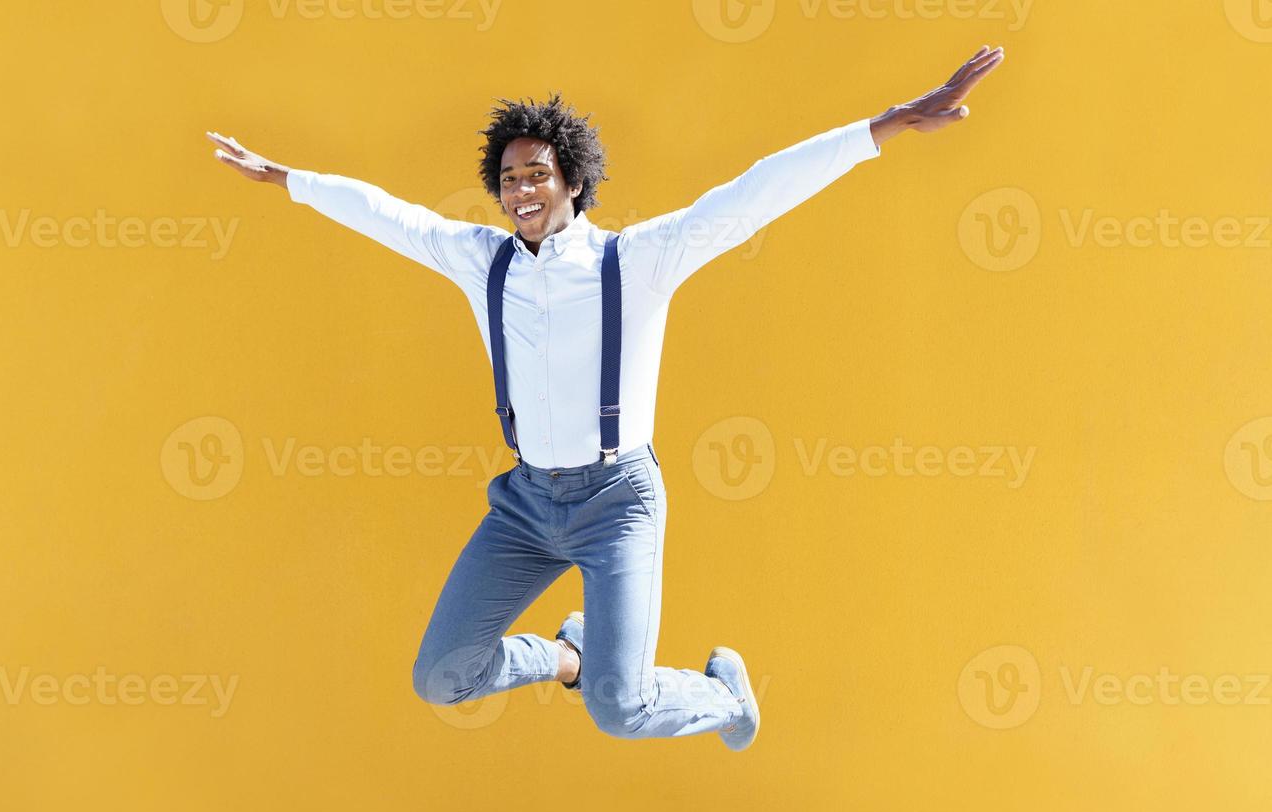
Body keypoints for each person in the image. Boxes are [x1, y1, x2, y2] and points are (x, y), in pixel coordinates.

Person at [208, 45, 1004, 750]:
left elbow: (752, 195)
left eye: (538, 175)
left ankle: (723, 695)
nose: (521, 190)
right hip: (524, 504)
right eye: (510, 178)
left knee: (620, 711)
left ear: (573, 183)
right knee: (443, 677)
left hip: (617, 500)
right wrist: (288, 180)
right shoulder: (480, 261)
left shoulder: (640, 260)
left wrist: (886, 125)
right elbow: (387, 215)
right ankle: (567, 657)